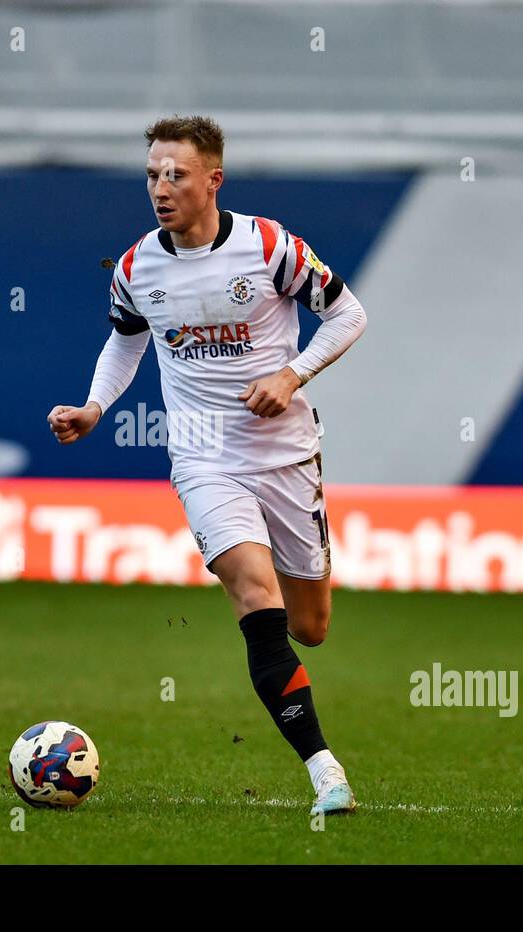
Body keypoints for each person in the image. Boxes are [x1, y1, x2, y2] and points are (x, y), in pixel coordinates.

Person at [47, 115, 369, 815]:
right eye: (153, 175)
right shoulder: (136, 267)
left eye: (177, 174)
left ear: (213, 180)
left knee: (309, 624)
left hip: (285, 451)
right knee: (256, 595)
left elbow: (349, 315)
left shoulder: (269, 245)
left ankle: (292, 667)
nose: (161, 188)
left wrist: (291, 375)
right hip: (201, 455)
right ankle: (325, 771)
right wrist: (96, 406)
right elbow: (125, 343)